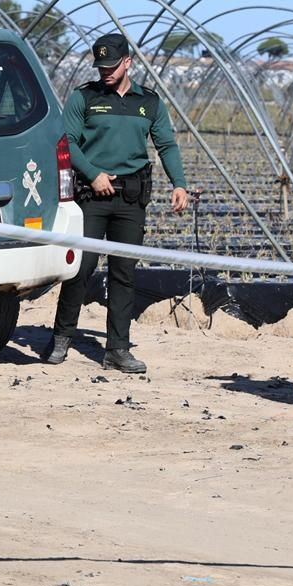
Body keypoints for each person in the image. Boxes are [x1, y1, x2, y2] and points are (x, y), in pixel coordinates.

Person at [43, 32, 190, 373]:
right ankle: (62, 337)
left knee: (124, 273)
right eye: (100, 66)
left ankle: (117, 350)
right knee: (80, 268)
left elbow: (166, 144)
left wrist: (179, 183)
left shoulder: (149, 102)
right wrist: (93, 174)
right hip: (93, 195)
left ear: (128, 62)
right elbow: (67, 141)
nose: (105, 72)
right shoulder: (85, 98)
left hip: (131, 198)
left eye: (111, 65)